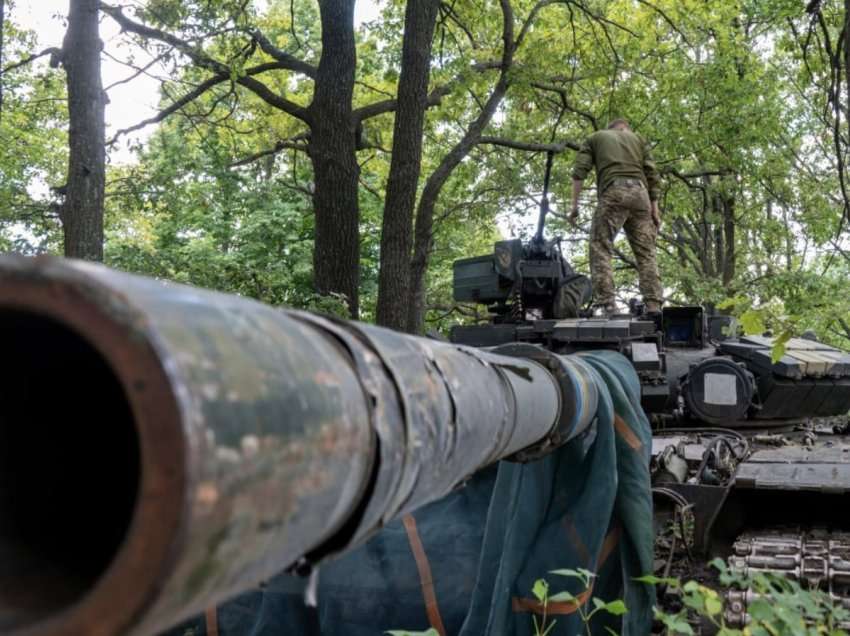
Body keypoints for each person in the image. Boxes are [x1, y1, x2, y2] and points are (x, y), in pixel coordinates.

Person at [569, 118, 663, 317]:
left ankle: (608, 304)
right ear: (625, 128)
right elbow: (652, 174)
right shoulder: (638, 139)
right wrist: (655, 208)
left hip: (614, 192)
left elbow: (579, 173)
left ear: (610, 128)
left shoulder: (596, 137)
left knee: (600, 246)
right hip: (641, 195)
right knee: (646, 253)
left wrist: (575, 206)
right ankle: (654, 304)